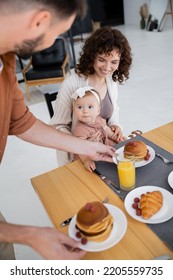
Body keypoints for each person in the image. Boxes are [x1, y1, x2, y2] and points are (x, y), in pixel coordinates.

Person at [0, 0, 116, 260]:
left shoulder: (5, 56)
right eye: (56, 33)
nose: (54, 41)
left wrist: (86, 146)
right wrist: (27, 234)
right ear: (39, 21)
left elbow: (19, 121)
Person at [50, 26, 132, 166]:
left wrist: (115, 126)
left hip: (103, 148)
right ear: (92, 56)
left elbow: (112, 113)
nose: (107, 67)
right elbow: (57, 126)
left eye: (114, 62)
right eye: (101, 59)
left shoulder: (110, 81)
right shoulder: (72, 83)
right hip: (80, 157)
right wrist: (83, 144)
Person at [72, 86, 123, 172]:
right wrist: (86, 160)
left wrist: (116, 137)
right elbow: (80, 148)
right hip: (89, 154)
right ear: (74, 110)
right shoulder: (80, 129)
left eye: (90, 107)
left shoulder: (99, 119)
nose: (85, 111)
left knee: (118, 148)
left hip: (103, 145)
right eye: (80, 107)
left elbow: (106, 129)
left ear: (98, 110)